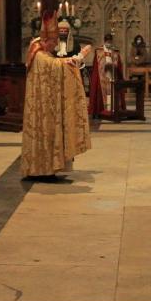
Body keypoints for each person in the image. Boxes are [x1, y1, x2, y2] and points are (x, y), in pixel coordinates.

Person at [20, 11, 91, 180]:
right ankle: (42, 169)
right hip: (43, 108)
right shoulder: (39, 55)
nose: (54, 46)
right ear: (45, 40)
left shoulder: (40, 51)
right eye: (53, 42)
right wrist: (79, 57)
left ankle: (46, 168)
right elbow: (57, 66)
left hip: (46, 105)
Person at [88, 32, 121, 119]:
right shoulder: (99, 51)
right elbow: (96, 65)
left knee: (112, 91)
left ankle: (112, 110)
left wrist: (114, 65)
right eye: (107, 41)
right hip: (102, 74)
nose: (108, 43)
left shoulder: (115, 51)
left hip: (112, 74)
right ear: (104, 41)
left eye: (110, 41)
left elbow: (118, 64)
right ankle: (101, 110)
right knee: (101, 90)